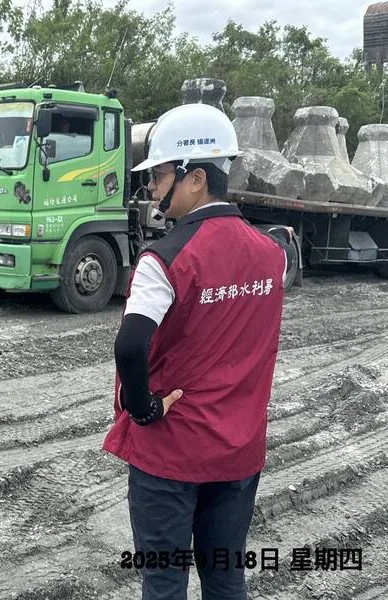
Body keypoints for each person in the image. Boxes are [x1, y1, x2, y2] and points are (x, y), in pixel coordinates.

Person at [102, 103, 291, 600]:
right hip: (238, 450)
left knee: (164, 579)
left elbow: (131, 343)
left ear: (196, 178)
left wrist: (142, 409)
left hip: (171, 454)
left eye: (161, 175)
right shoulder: (271, 254)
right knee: (226, 577)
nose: (153, 188)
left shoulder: (164, 258)